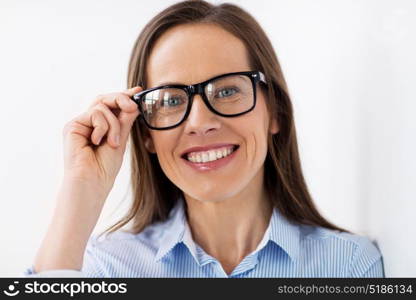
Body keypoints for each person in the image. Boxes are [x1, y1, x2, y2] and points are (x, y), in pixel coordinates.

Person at [27, 0, 384, 277]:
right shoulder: (106, 267)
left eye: (228, 90)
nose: (199, 123)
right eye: (170, 100)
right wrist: (82, 186)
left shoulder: (348, 265)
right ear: (147, 133)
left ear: (274, 110)